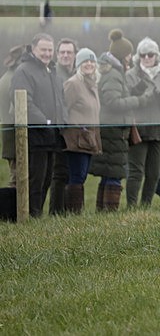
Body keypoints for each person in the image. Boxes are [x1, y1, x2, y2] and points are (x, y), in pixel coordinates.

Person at [10, 33, 66, 217]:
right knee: (35, 180)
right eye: (43, 49)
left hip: (51, 136)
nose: (47, 53)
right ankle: (30, 216)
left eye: (50, 50)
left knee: (47, 179)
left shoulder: (52, 71)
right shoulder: (24, 70)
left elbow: (59, 100)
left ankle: (37, 215)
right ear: (33, 49)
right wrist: (45, 121)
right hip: (34, 135)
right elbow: (23, 100)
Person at [90, 30, 145, 212]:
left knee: (109, 172)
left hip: (113, 130)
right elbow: (112, 101)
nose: (131, 58)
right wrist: (137, 101)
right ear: (122, 55)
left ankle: (102, 210)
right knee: (114, 172)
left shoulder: (114, 73)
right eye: (129, 54)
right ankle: (109, 211)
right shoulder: (114, 74)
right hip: (113, 131)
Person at [126, 37, 160, 207]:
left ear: (157, 56)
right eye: (143, 55)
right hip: (139, 130)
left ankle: (146, 206)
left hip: (159, 130)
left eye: (151, 54)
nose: (147, 58)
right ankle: (131, 206)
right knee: (136, 171)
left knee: (154, 173)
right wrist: (142, 97)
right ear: (138, 56)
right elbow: (126, 99)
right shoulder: (130, 75)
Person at [61, 48, 101, 214]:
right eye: (85, 61)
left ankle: (76, 212)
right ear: (78, 64)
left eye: (92, 61)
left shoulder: (92, 84)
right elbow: (64, 111)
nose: (89, 64)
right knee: (77, 176)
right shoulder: (72, 84)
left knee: (82, 176)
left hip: (89, 138)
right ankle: (73, 214)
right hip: (76, 139)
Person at [50, 37, 78, 216]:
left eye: (69, 52)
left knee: (69, 173)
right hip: (58, 132)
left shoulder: (76, 73)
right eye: (62, 52)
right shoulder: (54, 74)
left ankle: (67, 212)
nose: (66, 55)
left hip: (74, 132)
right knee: (59, 174)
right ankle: (55, 213)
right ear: (57, 55)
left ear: (75, 55)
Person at [1, 45, 25, 187]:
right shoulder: (15, 80)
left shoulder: (5, 77)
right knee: (17, 181)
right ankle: (11, 209)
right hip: (16, 138)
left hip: (10, 139)